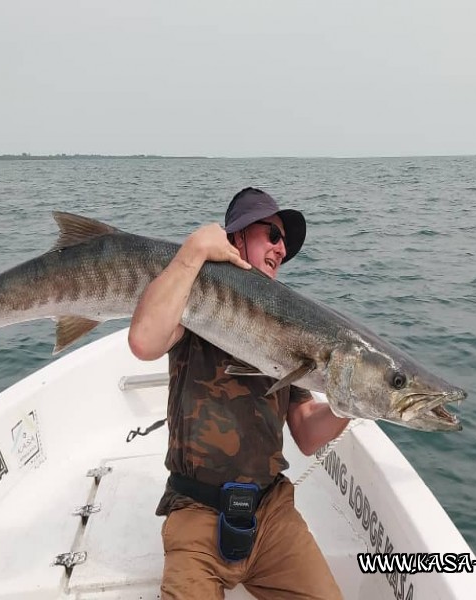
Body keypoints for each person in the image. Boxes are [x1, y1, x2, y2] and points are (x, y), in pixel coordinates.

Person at [128, 187, 350, 600]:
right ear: (236, 237)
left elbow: (305, 431)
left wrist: (352, 402)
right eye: (273, 234)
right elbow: (143, 341)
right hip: (195, 510)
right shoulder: (192, 299)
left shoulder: (293, 328)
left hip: (271, 514)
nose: (282, 249)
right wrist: (193, 253)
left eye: (285, 243)